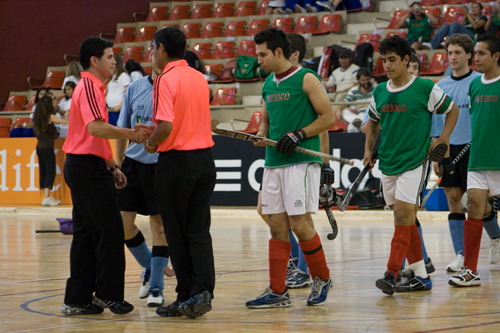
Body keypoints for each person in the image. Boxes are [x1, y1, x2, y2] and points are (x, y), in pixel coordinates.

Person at [246, 28, 335, 309]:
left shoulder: (306, 79)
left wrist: (299, 134)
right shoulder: (268, 85)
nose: (258, 60)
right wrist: (261, 135)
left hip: (301, 162)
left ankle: (322, 277)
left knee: (300, 223)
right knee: (275, 225)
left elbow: (328, 117)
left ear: (279, 52)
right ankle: (277, 291)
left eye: (262, 54)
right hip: (273, 162)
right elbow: (266, 123)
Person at [61, 36, 150, 316]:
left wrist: (112, 166)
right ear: (94, 61)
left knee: (86, 234)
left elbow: (93, 136)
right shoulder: (87, 86)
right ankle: (109, 296)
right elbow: (96, 129)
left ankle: (78, 300)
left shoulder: (95, 88)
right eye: (110, 57)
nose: (115, 62)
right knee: (111, 230)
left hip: (88, 166)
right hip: (85, 168)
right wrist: (130, 134)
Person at [364, 35, 459, 295]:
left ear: (406, 60)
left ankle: (391, 273)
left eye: (392, 60)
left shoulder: (425, 88)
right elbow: (372, 120)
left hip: (415, 163)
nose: (387, 65)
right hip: (388, 164)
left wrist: (443, 139)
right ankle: (421, 276)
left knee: (402, 218)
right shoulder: (380, 91)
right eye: (383, 60)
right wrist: (368, 149)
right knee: (406, 220)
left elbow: (453, 111)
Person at [144, 27, 216, 319]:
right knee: (198, 231)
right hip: (204, 160)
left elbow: (166, 126)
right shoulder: (200, 78)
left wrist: (150, 143)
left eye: (152, 48)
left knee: (175, 231)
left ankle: (186, 293)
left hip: (176, 162)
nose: (151, 54)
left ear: (161, 48)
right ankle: (202, 292)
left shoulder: (165, 79)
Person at [431, 34, 500, 273]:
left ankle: (496, 238)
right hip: (450, 147)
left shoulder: (481, 79)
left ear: (469, 55)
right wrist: (439, 150)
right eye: (449, 53)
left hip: (475, 148)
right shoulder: (441, 86)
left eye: (457, 52)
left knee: (478, 205)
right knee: (455, 201)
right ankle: (461, 257)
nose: (452, 57)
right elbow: (437, 122)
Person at [116, 69, 173, 308]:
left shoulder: (173, 87)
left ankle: (157, 287)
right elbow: (121, 129)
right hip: (132, 164)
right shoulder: (136, 88)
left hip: (161, 164)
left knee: (159, 226)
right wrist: (118, 166)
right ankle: (152, 267)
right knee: (123, 224)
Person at [32, 94, 68, 206]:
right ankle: (47, 198)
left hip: (39, 147)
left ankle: (45, 197)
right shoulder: (49, 116)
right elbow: (65, 122)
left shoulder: (39, 116)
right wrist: (66, 114)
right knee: (50, 171)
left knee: (43, 171)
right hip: (47, 147)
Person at [423, 2, 487, 50]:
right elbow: (460, 26)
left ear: (481, 10)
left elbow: (475, 26)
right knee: (446, 25)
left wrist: (467, 14)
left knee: (455, 23)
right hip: (463, 35)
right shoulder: (468, 17)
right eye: (472, 7)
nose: (473, 9)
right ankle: (432, 44)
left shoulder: (483, 18)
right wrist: (465, 15)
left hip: (473, 36)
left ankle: (449, 42)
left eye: (476, 7)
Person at [333, 67, 374, 133]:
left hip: (371, 115)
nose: (366, 82)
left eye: (367, 79)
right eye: (363, 80)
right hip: (359, 114)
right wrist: (339, 109)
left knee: (351, 127)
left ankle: (358, 121)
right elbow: (345, 102)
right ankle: (357, 121)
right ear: (358, 80)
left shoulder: (376, 88)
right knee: (343, 111)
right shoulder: (354, 90)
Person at [106, 54, 131, 126]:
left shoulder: (124, 76)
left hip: (118, 111)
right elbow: (108, 93)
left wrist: (120, 106)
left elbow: (128, 93)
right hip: (110, 110)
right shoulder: (112, 77)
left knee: (118, 133)